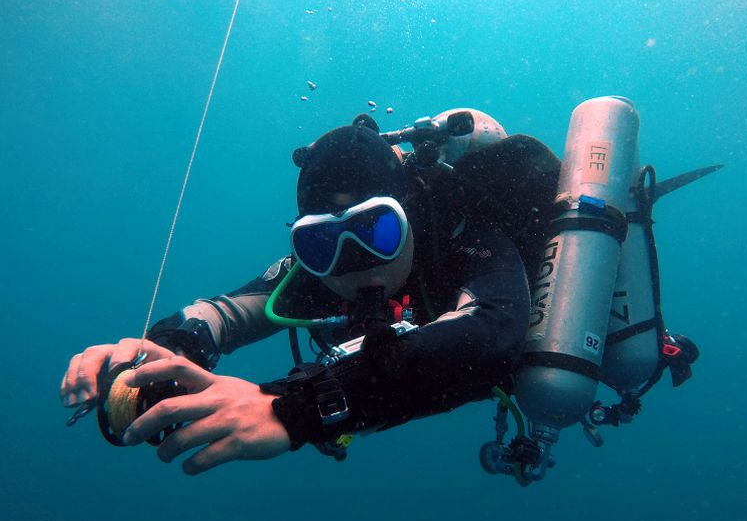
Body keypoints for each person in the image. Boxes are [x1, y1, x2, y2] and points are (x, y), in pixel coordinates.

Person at [60, 109, 562, 475]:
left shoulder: (461, 237)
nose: (353, 262)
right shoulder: (315, 274)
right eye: (320, 242)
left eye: (377, 231)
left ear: (410, 211)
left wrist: (293, 407)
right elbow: (223, 315)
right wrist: (159, 356)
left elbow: (494, 333)